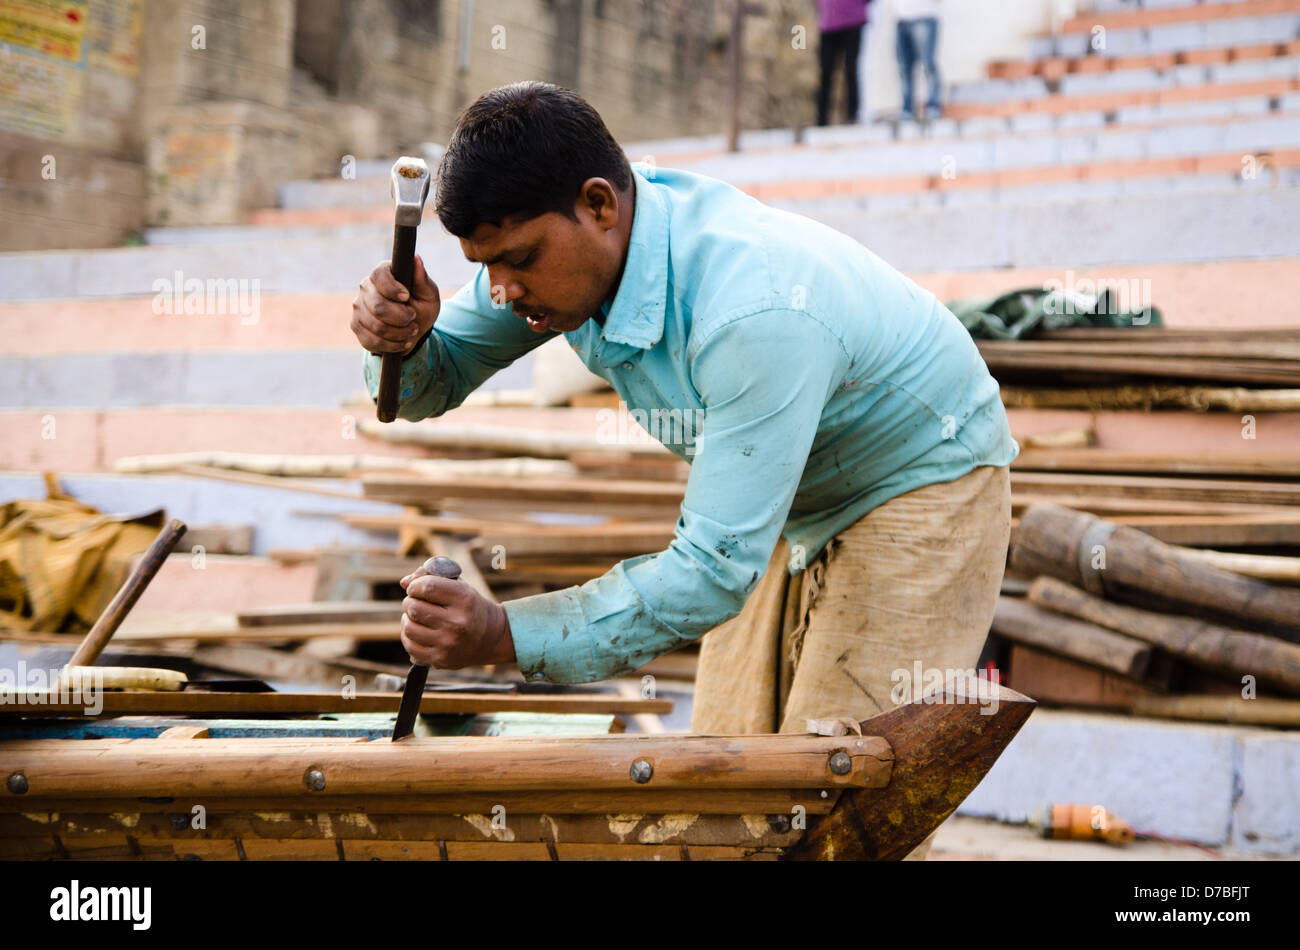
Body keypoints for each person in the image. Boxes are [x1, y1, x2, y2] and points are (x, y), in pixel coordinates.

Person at [351, 82, 1017, 854]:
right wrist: (396, 340)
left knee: (835, 800)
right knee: (729, 795)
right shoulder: (551, 257)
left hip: (919, 480)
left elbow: (707, 576)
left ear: (599, 204)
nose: (501, 292)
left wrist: (506, 634)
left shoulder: (754, 309)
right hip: (795, 491)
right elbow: (422, 390)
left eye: (518, 261)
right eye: (484, 268)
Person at [815, 0, 872, 126]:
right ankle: (821, 119)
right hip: (828, 23)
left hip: (852, 21)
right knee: (825, 73)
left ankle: (852, 115)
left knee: (850, 69)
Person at [894, 0, 942, 120]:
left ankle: (933, 106)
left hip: (924, 17)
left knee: (928, 64)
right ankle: (907, 108)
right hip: (901, 19)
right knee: (904, 68)